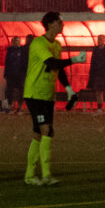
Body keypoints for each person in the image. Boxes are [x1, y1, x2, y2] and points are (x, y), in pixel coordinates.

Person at [22, 12, 83, 186]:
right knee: (47, 130)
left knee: (38, 133)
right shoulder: (38, 43)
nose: (62, 25)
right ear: (49, 24)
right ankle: (46, 175)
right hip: (34, 94)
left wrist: (68, 88)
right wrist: (75, 59)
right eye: (59, 22)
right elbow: (52, 63)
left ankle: (29, 175)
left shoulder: (56, 44)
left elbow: (59, 68)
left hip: (48, 95)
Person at [86, 35, 105, 110]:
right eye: (98, 39)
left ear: (104, 40)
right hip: (98, 74)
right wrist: (92, 73)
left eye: (101, 39)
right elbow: (93, 62)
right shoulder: (95, 50)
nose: (99, 41)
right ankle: (99, 109)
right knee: (98, 92)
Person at [3, 36, 29, 112]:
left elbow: (25, 62)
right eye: (15, 41)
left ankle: (19, 106)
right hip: (11, 75)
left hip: (20, 75)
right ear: (12, 42)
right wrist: (6, 74)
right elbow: (7, 63)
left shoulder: (22, 51)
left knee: (21, 90)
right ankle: (9, 106)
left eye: (18, 41)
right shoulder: (10, 51)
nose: (17, 42)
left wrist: (24, 73)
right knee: (9, 91)